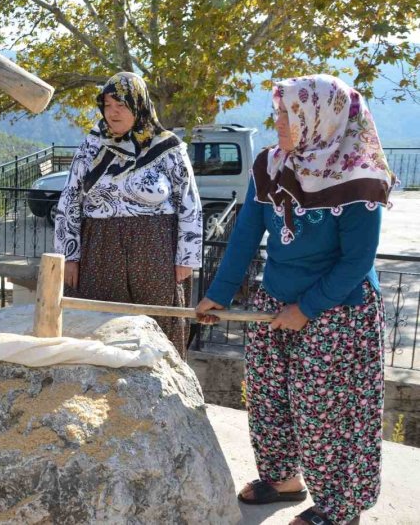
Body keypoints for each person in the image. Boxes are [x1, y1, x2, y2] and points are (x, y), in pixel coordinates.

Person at [195, 74, 396, 525]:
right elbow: (247, 232)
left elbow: (356, 260)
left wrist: (306, 310)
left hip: (337, 309)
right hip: (276, 302)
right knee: (269, 397)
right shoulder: (269, 165)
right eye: (280, 111)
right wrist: (218, 294)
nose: (279, 121)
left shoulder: (358, 176)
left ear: (319, 118)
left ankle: (339, 508)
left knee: (326, 413)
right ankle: (283, 478)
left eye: (290, 113)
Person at [53, 71, 202, 358]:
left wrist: (186, 259)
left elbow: (189, 203)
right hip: (100, 249)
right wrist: (68, 256)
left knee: (157, 328)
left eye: (121, 105)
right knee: (102, 328)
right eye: (107, 106)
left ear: (138, 105)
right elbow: (69, 200)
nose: (113, 113)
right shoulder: (92, 145)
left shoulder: (167, 147)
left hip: (154, 250)